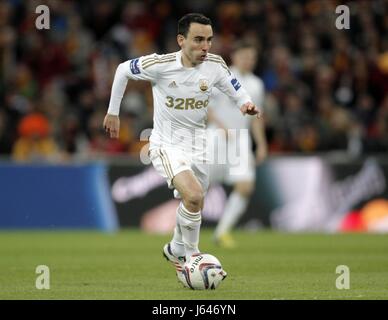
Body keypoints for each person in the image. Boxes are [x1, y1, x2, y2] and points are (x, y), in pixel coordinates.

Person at [103, 13, 261, 285]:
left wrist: (244, 104)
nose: (205, 46)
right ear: (181, 40)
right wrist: (113, 112)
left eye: (209, 40)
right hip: (166, 144)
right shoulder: (161, 64)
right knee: (194, 194)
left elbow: (233, 86)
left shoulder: (214, 65)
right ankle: (191, 257)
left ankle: (176, 247)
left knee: (195, 201)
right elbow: (122, 70)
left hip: (199, 145)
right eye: (198, 39)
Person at [207, 42, 268, 248]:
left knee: (245, 186)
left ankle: (222, 232)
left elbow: (257, 117)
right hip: (217, 136)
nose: (248, 61)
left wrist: (261, 144)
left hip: (241, 139)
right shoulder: (222, 76)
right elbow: (205, 106)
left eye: (252, 57)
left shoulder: (257, 84)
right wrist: (220, 126)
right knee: (198, 187)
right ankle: (183, 231)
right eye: (245, 56)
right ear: (234, 56)